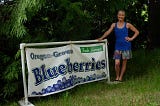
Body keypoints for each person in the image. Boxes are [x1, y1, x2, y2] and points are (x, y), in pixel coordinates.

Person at [97, 10, 139, 82]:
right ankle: (117, 76)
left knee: (124, 62)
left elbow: (137, 32)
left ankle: (120, 78)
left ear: (124, 16)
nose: (121, 16)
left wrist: (131, 38)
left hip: (126, 46)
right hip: (118, 47)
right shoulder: (114, 25)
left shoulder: (127, 25)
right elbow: (108, 32)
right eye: (119, 15)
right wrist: (101, 38)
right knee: (117, 63)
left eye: (122, 15)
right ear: (117, 15)